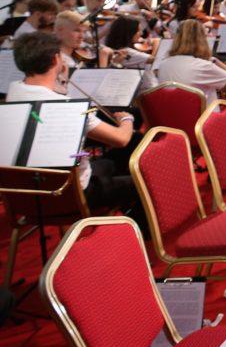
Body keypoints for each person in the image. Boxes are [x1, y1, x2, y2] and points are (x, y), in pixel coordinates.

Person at [7, 33, 139, 213]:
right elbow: (121, 139)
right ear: (56, 59)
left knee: (111, 162)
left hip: (25, 193)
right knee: (146, 179)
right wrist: (126, 119)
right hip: (74, 193)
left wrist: (60, 84)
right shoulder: (69, 107)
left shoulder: (13, 92)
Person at [155, 19, 226, 107]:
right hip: (204, 118)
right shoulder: (203, 66)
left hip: (173, 117)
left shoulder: (163, 64)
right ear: (202, 40)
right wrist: (214, 60)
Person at [103, 16, 159, 90]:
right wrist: (156, 43)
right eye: (138, 30)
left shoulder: (117, 49)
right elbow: (156, 60)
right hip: (149, 91)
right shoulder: (127, 52)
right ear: (129, 32)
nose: (141, 33)